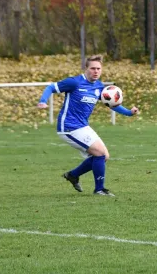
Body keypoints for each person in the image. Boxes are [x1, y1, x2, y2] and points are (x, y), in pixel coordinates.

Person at [37, 55, 139, 197]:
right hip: (68, 127)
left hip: (82, 126)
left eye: (98, 68)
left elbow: (111, 104)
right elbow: (51, 87)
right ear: (86, 68)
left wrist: (129, 113)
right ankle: (99, 189)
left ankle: (73, 175)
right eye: (92, 68)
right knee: (99, 154)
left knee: (104, 156)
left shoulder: (99, 87)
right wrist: (43, 101)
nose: (96, 71)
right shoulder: (74, 82)